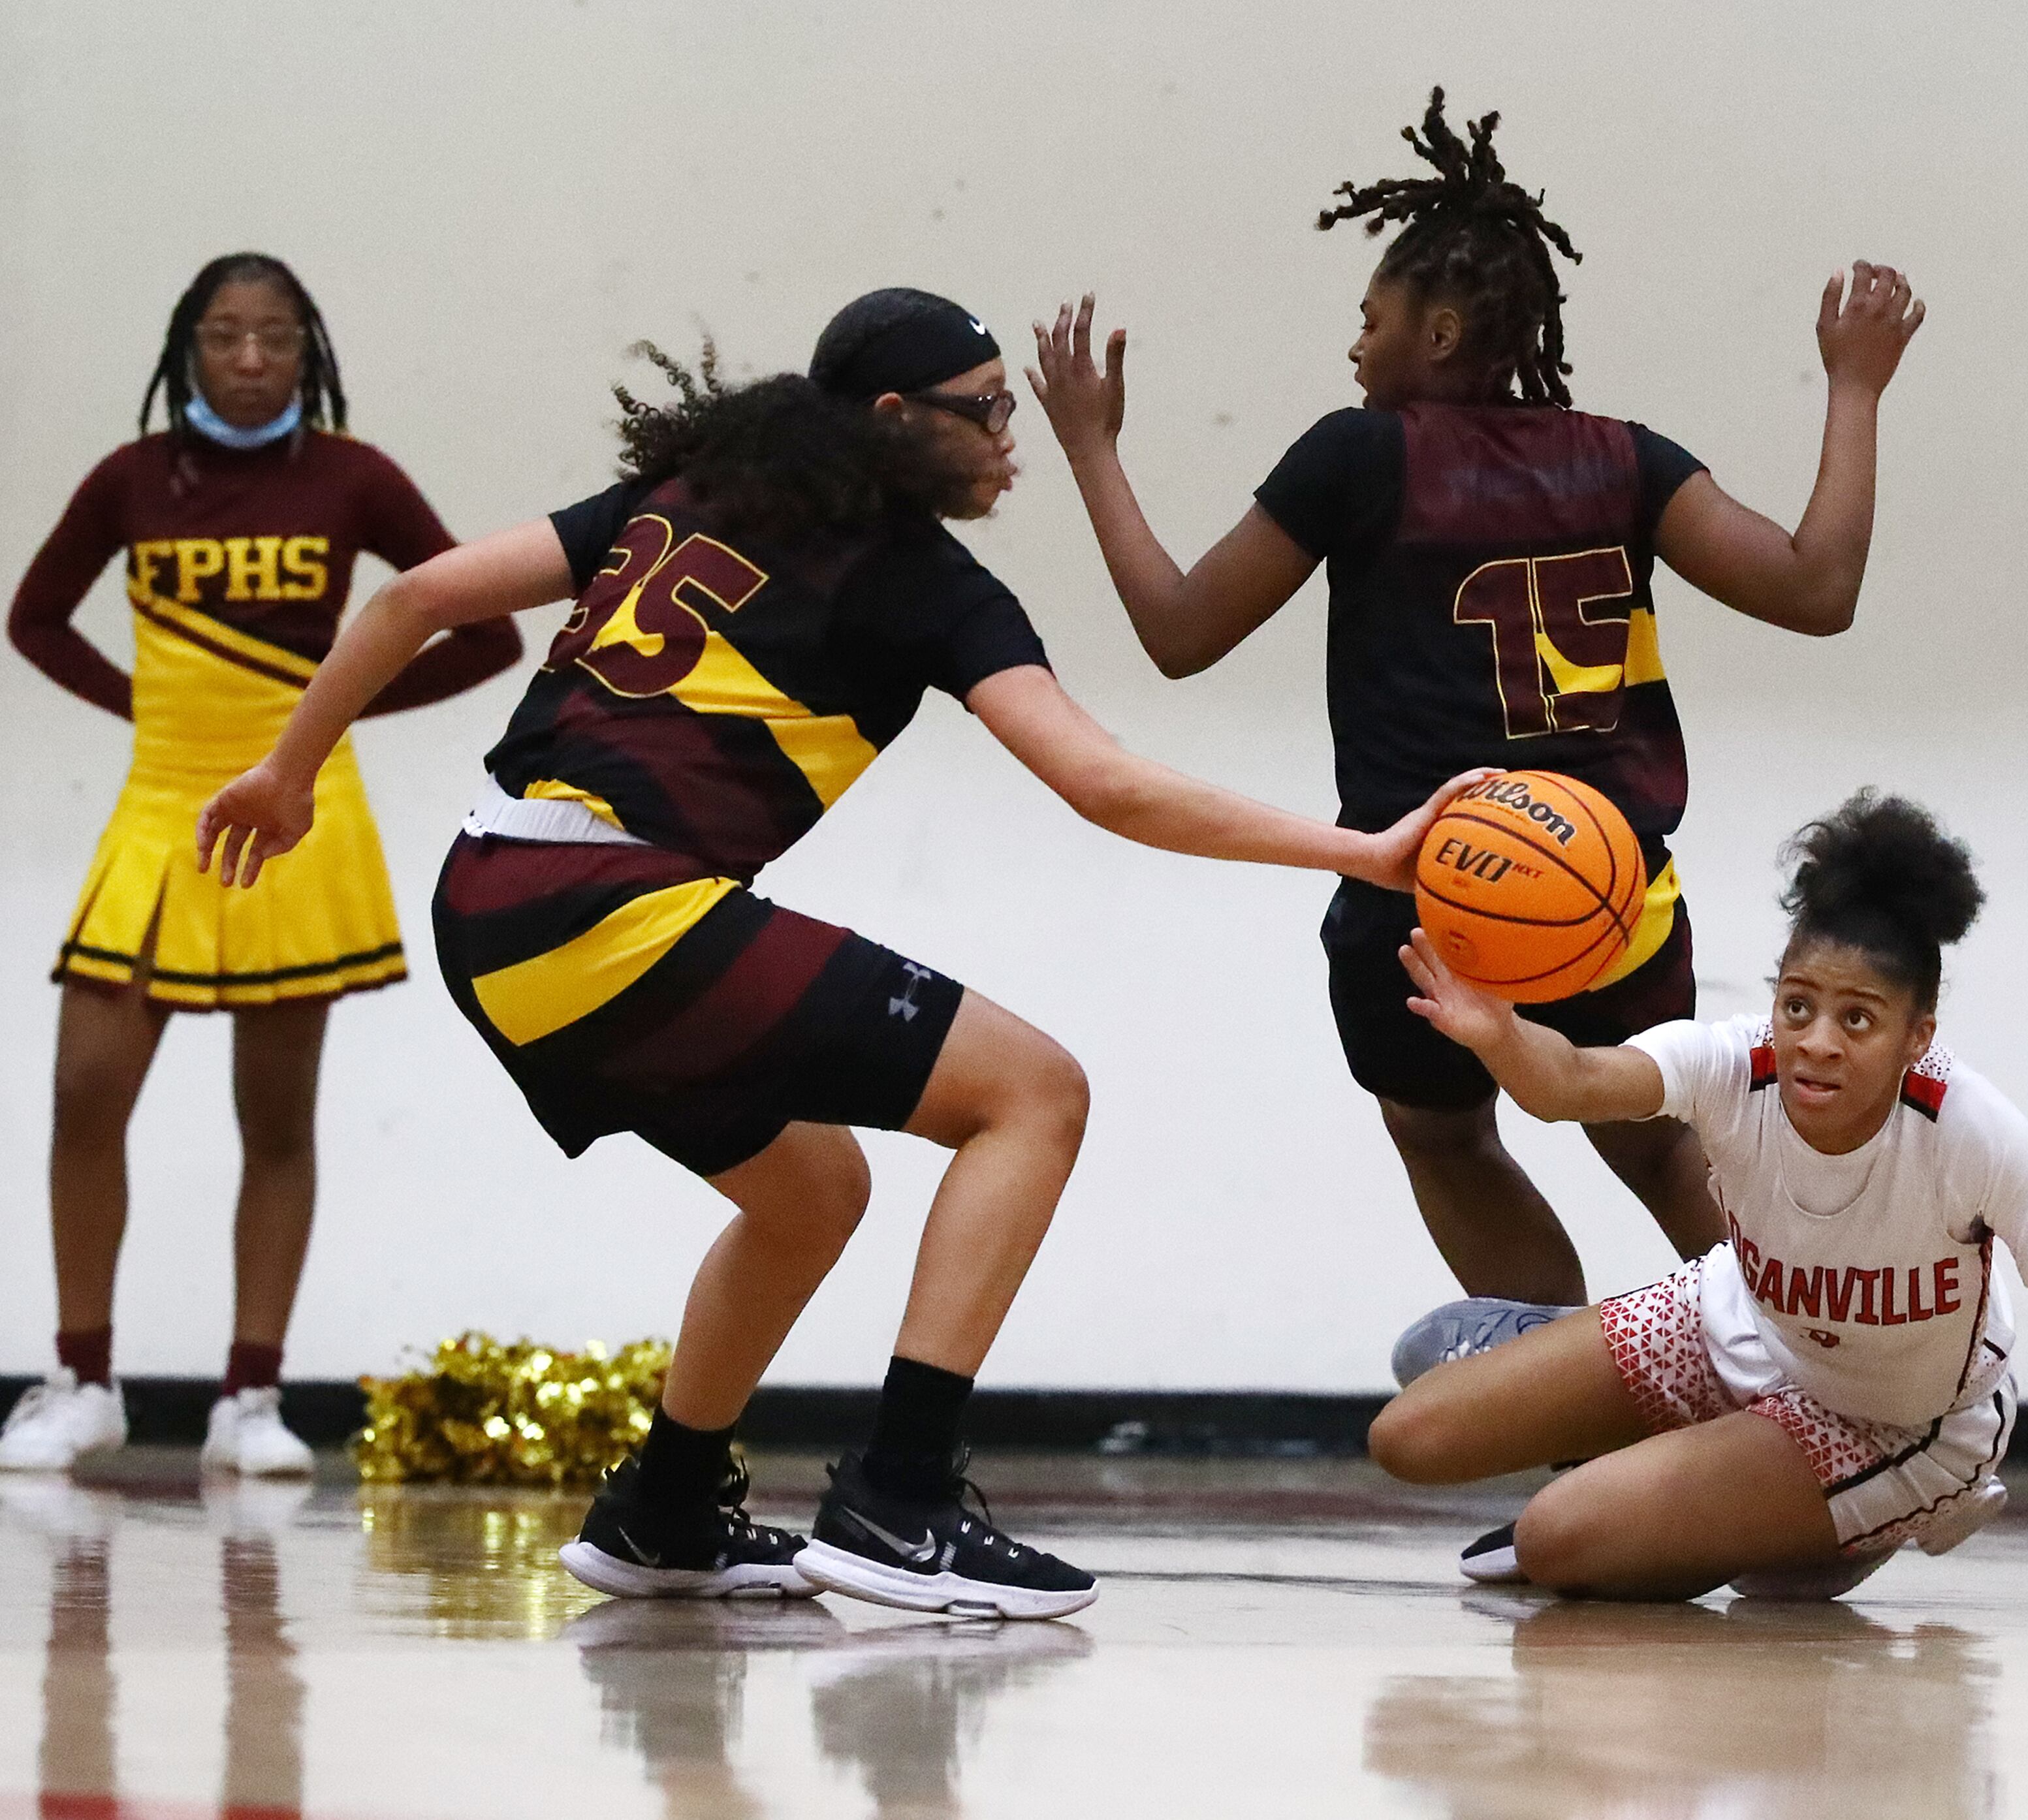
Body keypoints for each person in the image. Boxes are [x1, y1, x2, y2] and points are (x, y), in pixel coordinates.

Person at [194, 289, 1477, 1618]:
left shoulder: (690, 488)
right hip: (609, 903)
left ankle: (665, 1508)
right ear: (889, 421)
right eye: (983, 411)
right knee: (1034, 1092)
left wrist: (289, 772)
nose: (1007, 440)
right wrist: (1364, 852)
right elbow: (1107, 787)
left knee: (812, 1188)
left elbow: (415, 596)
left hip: (492, 894)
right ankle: (901, 1498)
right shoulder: (918, 579)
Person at [1028, 90, 1925, 1363]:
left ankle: (1568, 1422)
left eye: (1371, 316)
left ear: (1439, 330)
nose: (1355, 343)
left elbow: (1179, 629)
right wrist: (1854, 386)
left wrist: (1092, 446)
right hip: (1613, 889)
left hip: (1431, 887)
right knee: (1653, 1137)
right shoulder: (1627, 456)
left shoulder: (1357, 454)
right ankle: (1820, 1389)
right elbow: (1817, 589)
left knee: (1446, 1132)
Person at [1369, 792, 2028, 1624]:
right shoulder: (1737, 1063)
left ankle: (1825, 1521)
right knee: (1409, 1438)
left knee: (1556, 1542)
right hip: (1739, 1315)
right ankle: (1681, 1466)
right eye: (1799, 1004)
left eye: (1857, 1019)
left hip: (1894, 1420)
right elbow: (1571, 1084)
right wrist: (1499, 1034)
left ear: (1917, 1036)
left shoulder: (1973, 1133)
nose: (1817, 1039)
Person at [1, 253, 520, 1477]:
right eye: (225, 336)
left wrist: (321, 726)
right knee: (88, 1089)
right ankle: (81, 1380)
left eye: (274, 338)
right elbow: (32, 616)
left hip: (297, 820)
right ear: (188, 347)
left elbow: (487, 632)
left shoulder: (354, 477)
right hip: (162, 806)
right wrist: (145, 706)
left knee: (275, 1116)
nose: (248, 360)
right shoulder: (131, 479)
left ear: (309, 350)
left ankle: (252, 1398)